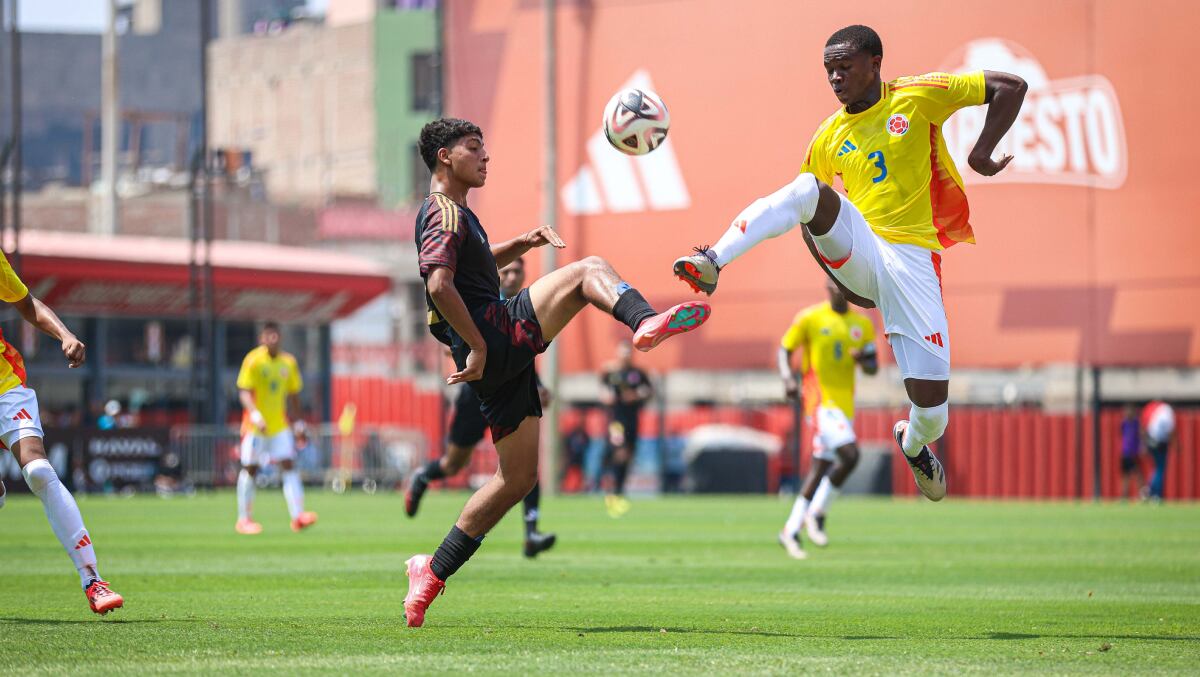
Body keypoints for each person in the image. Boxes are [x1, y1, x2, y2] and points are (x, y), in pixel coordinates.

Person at [672, 24, 1027, 501]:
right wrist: (836, 272)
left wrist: (981, 153)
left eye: (844, 67)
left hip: (913, 263)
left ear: (875, 64)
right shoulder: (828, 135)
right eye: (829, 70)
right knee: (806, 189)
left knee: (933, 415)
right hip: (862, 251)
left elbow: (1010, 86)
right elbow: (803, 212)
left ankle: (913, 444)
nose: (835, 78)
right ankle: (713, 259)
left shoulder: (918, 95)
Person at [403, 117, 710, 627]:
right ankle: (643, 320)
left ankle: (430, 573)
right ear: (444, 157)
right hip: (491, 333)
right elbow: (439, 284)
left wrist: (520, 244)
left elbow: (473, 263)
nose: (485, 156)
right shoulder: (443, 210)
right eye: (474, 147)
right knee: (589, 270)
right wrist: (477, 344)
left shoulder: (459, 215)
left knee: (517, 479)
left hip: (489, 356)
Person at [404, 257, 558, 559]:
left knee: (524, 464)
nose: (512, 277)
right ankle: (423, 476)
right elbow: (450, 336)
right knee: (454, 464)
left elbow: (522, 357)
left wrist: (539, 387)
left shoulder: (526, 306)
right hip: (476, 394)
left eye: (517, 271)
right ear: (496, 274)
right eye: (506, 271)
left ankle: (531, 532)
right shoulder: (481, 301)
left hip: (511, 390)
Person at [0, 252, 123, 614]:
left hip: (4, 385)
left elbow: (26, 303)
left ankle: (93, 579)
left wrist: (65, 335)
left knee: (38, 469)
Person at [777, 279, 877, 559]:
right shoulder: (811, 318)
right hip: (820, 403)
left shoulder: (863, 325)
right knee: (851, 455)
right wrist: (788, 378)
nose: (840, 291)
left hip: (845, 406)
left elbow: (873, 367)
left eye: (844, 286)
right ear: (828, 288)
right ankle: (818, 512)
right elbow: (784, 349)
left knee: (820, 467)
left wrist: (863, 360)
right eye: (835, 286)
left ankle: (790, 530)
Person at [234, 322, 317, 534]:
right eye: (268, 335)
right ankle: (244, 519)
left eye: (275, 335)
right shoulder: (253, 360)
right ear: (262, 338)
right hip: (255, 427)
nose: (272, 339)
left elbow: (294, 395)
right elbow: (244, 392)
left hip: (279, 426)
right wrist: (255, 414)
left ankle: (298, 516)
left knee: (288, 465)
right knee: (250, 468)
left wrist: (298, 423)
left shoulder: (288, 362)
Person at [599, 341, 652, 518]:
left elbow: (649, 391)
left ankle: (619, 490)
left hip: (632, 420)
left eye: (628, 353)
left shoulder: (637, 373)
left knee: (628, 454)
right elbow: (602, 389)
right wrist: (606, 397)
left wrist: (636, 395)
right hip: (616, 421)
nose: (625, 357)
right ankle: (613, 492)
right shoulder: (610, 372)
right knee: (619, 451)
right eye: (622, 353)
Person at [1141, 400, 1175, 501]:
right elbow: (1170, 430)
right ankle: (1154, 493)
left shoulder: (1153, 410)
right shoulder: (1167, 411)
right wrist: (1175, 443)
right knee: (1160, 469)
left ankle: (1149, 491)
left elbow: (1144, 427)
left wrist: (1144, 444)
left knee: (1156, 468)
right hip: (1160, 443)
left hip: (1151, 441)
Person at [1118, 404, 1145, 501]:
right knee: (1126, 476)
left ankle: (1142, 495)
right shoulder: (1124, 423)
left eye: (1129, 411)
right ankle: (1124, 496)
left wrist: (1142, 446)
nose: (1127, 413)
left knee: (1138, 475)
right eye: (1126, 411)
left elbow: (1141, 434)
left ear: (1134, 412)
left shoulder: (1136, 423)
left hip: (1133, 454)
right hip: (1125, 454)